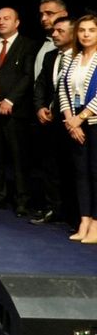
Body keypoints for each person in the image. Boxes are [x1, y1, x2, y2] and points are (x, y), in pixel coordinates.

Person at [0, 7, 40, 215]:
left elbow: (28, 76)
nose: (1, 22)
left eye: (6, 18)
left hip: (15, 111)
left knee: (19, 158)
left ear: (17, 23)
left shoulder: (28, 45)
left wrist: (10, 100)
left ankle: (22, 200)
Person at [59, 14, 96, 243]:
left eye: (91, 30)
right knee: (81, 174)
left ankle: (96, 224)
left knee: (95, 173)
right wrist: (70, 121)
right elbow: (63, 92)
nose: (86, 34)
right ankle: (84, 220)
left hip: (93, 121)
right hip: (75, 122)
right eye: (82, 30)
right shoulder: (72, 59)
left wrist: (80, 118)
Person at [32, 16, 73, 224]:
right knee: (50, 167)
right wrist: (40, 106)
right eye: (54, 31)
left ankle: (73, 212)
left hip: (72, 122)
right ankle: (52, 208)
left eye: (60, 31)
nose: (54, 34)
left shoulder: (82, 58)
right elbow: (40, 84)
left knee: (71, 168)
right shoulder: (50, 56)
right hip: (49, 122)